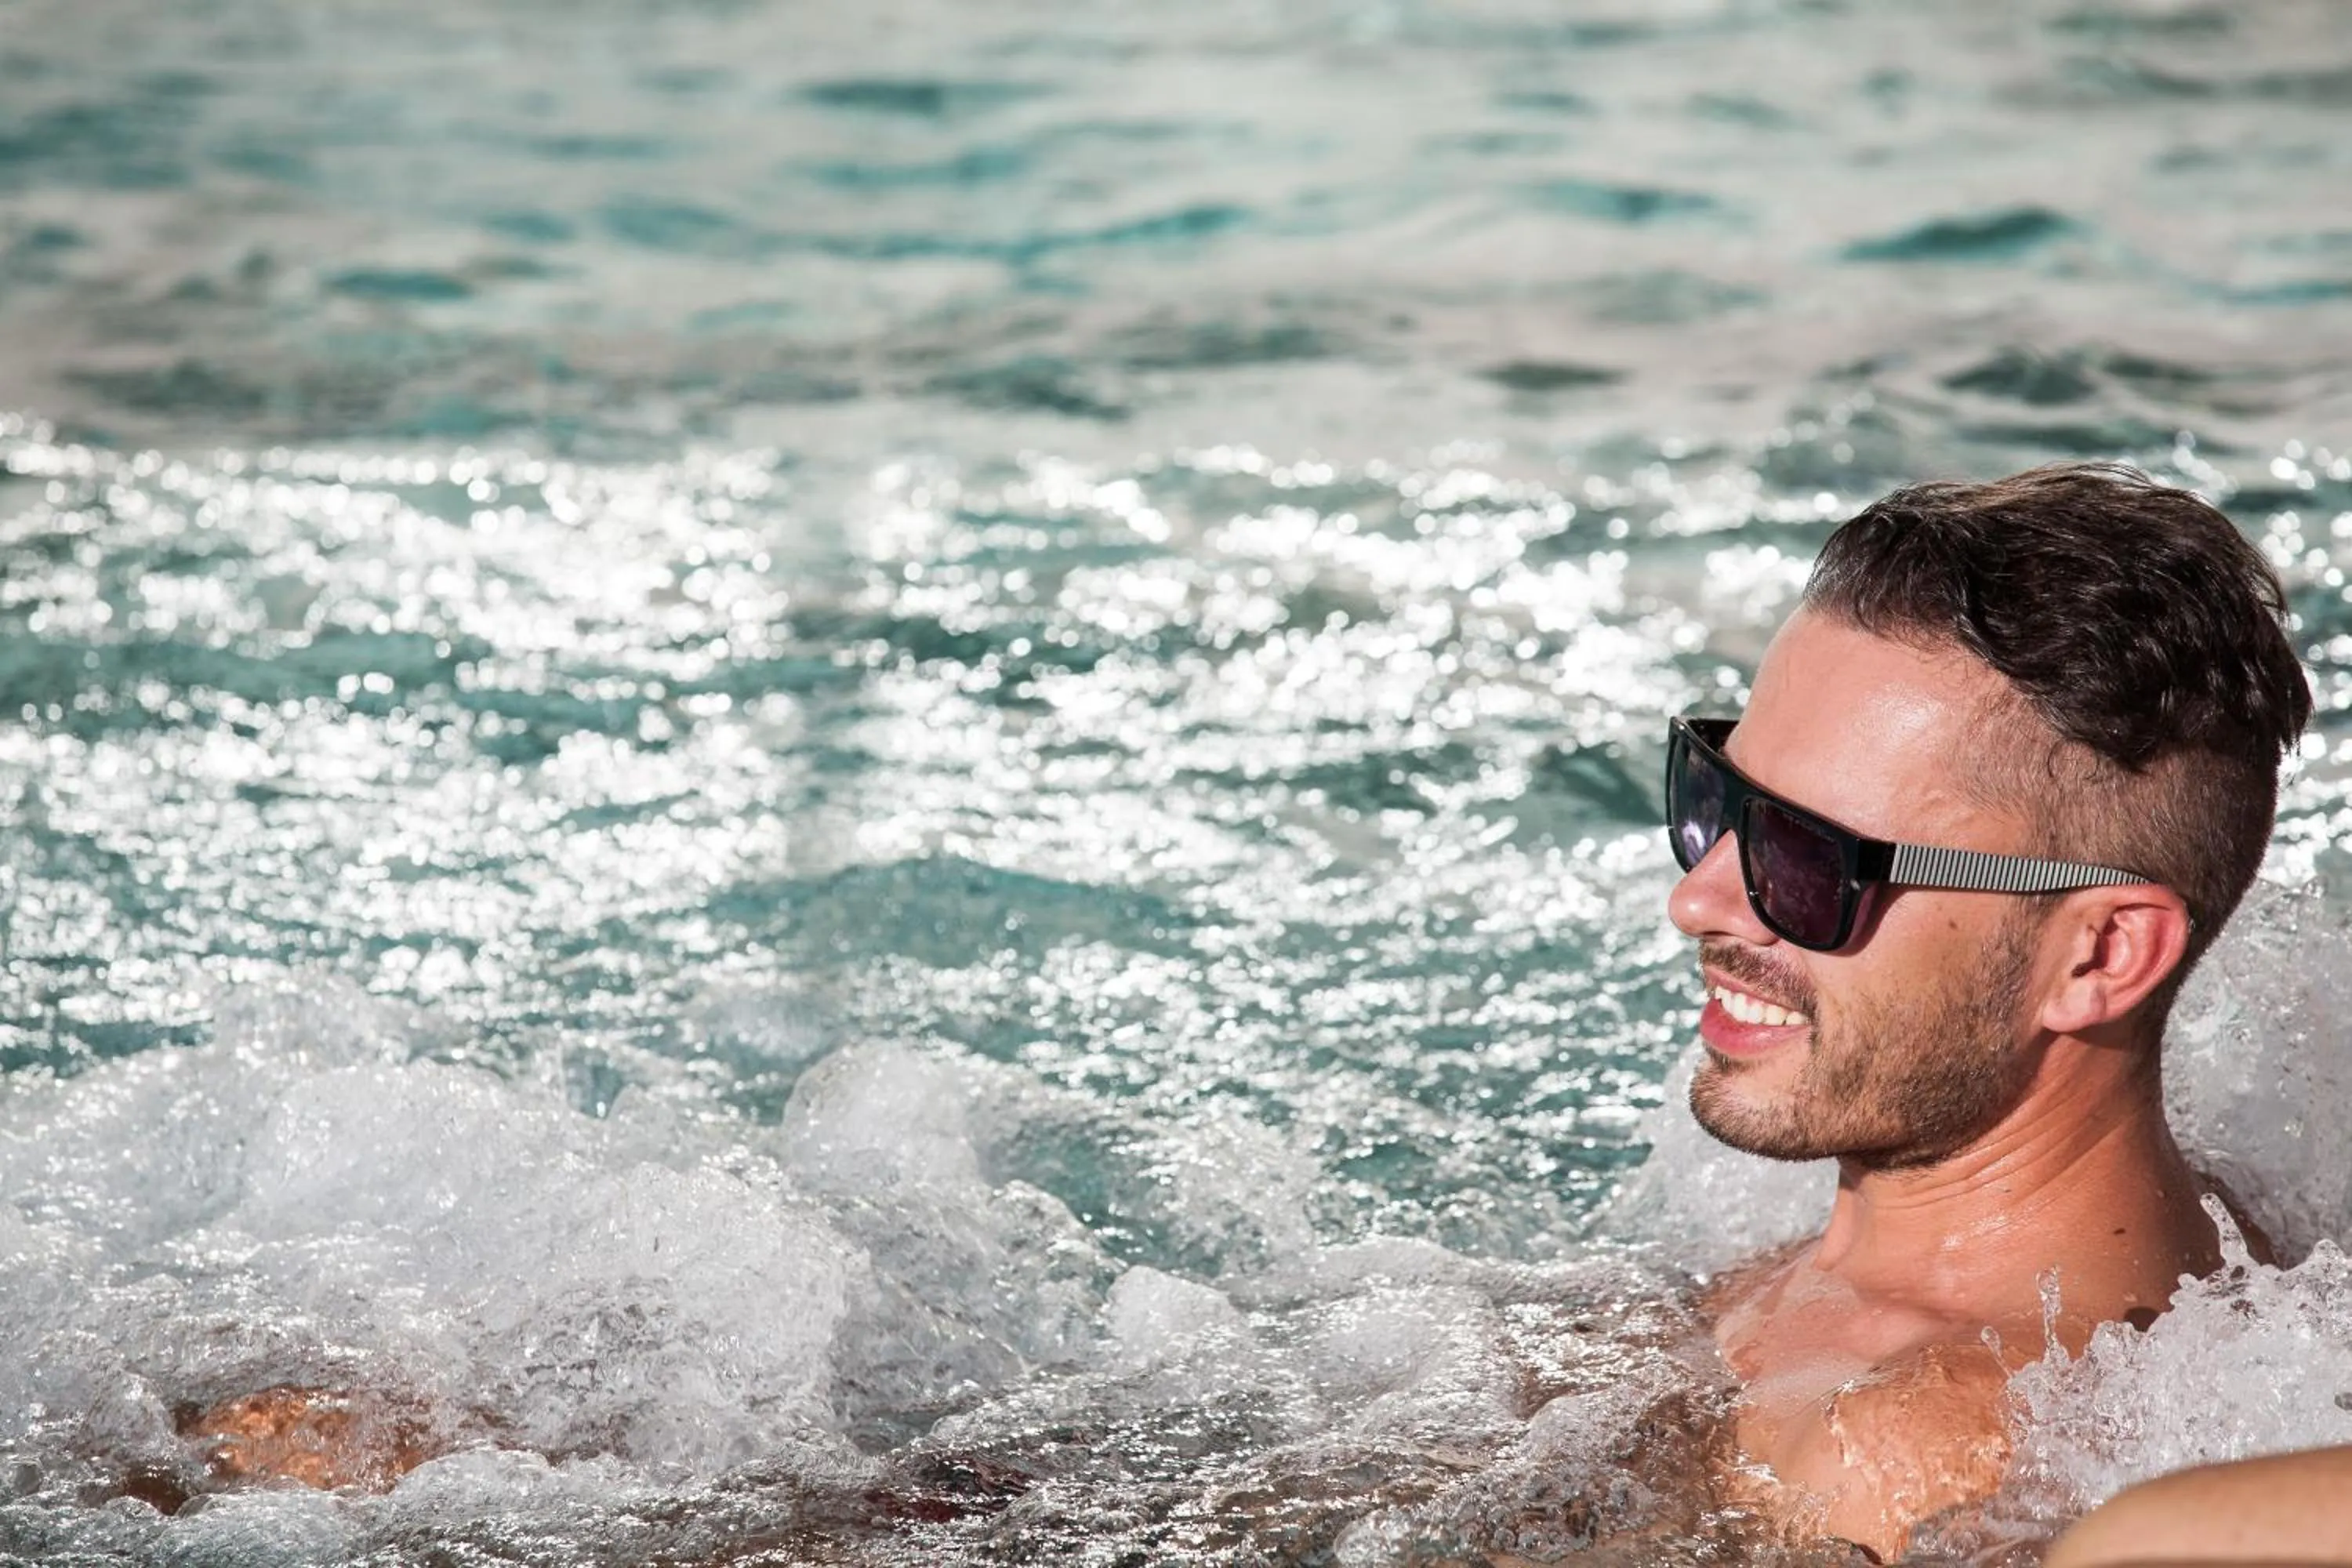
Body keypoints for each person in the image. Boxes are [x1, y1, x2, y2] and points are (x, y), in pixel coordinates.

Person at [1666, 461, 2311, 1559]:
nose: (1698, 899)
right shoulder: (2243, 1214)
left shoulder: (1921, 1459)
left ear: (2102, 956)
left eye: (1809, 858)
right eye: (1718, 797)